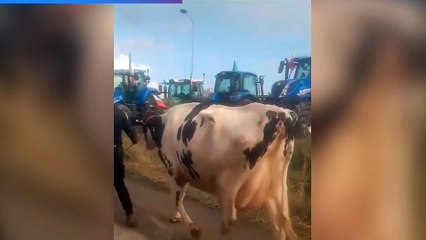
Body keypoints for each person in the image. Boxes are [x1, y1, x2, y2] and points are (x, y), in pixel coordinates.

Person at [114, 103, 138, 227]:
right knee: (119, 183)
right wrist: (134, 140)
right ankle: (129, 214)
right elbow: (134, 137)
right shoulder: (120, 114)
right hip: (115, 152)